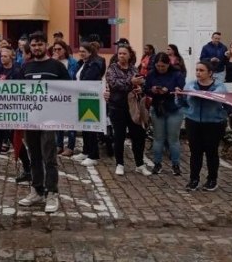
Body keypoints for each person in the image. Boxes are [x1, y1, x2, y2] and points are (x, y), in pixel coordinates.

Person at [18, 31, 70, 213]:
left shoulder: (56, 67)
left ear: (45, 45)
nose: (37, 48)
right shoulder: (25, 68)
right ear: (29, 47)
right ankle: (37, 190)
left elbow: (71, 91)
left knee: (49, 158)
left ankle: (52, 193)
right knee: (34, 158)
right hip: (30, 120)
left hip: (50, 120)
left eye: (40, 44)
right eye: (33, 45)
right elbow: (15, 92)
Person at [178, 61, 228, 191]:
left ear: (210, 73)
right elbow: (182, 102)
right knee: (195, 152)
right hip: (193, 122)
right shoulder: (190, 85)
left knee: (211, 152)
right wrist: (182, 102)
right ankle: (194, 179)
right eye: (197, 70)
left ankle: (212, 179)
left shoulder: (219, 86)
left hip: (213, 124)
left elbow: (226, 103)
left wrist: (221, 114)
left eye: (202, 70)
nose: (198, 73)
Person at [106, 44, 149, 176]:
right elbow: (114, 84)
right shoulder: (112, 68)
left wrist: (139, 88)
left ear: (130, 55)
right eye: (120, 53)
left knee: (139, 136)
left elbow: (140, 82)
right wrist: (131, 82)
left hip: (133, 107)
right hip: (117, 106)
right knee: (119, 136)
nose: (122, 56)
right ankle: (120, 164)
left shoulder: (134, 68)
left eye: (124, 53)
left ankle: (139, 164)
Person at [145, 52, 186, 176]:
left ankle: (175, 164)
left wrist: (169, 91)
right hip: (158, 108)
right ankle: (157, 163)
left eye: (163, 66)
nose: (161, 68)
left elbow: (181, 90)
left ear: (169, 64)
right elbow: (146, 88)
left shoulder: (177, 74)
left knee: (173, 138)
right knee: (158, 138)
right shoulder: (151, 74)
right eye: (158, 66)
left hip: (174, 108)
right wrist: (152, 90)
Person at [0, 47, 29, 181]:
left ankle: (28, 167)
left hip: (14, 109)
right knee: (6, 137)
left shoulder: (18, 70)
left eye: (5, 56)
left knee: (15, 138)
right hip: (0, 108)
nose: (3, 58)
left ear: (11, 57)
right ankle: (27, 167)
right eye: (1, 56)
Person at [71, 42, 105, 166]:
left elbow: (88, 81)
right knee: (85, 127)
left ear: (90, 52)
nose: (81, 53)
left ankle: (94, 155)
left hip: (90, 98)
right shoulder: (83, 63)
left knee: (91, 127)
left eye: (84, 51)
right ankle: (86, 151)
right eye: (80, 51)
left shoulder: (94, 64)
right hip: (82, 97)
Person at [51, 40, 77, 156]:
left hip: (70, 94)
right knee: (58, 121)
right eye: (55, 49)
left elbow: (73, 78)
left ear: (65, 50)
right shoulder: (51, 62)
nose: (57, 51)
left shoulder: (72, 63)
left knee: (71, 122)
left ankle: (70, 146)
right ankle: (59, 145)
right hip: (57, 95)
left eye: (59, 49)